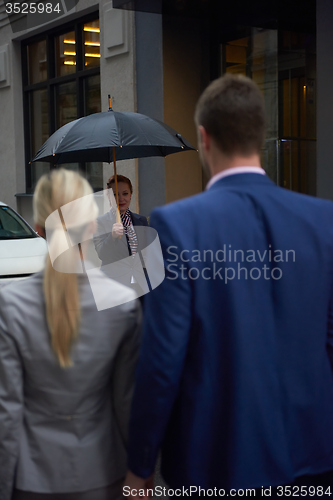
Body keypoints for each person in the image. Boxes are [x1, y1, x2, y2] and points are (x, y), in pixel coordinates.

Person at [124, 74, 333, 498]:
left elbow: (163, 359)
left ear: (203, 138)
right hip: (312, 455)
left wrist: (140, 463)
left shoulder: (176, 225)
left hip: (217, 460)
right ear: (260, 134)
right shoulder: (323, 220)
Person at [0, 169, 141, 500]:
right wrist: (140, 470)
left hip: (33, 476)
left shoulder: (10, 304)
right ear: (93, 226)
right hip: (102, 470)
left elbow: (7, 409)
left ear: (37, 229)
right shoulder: (121, 302)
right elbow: (127, 402)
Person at [93, 175, 149, 297]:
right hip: (113, 286)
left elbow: (147, 254)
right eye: (115, 194)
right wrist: (112, 237)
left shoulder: (141, 220)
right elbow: (102, 253)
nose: (121, 198)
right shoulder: (100, 222)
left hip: (140, 286)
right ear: (108, 196)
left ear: (131, 194)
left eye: (125, 193)